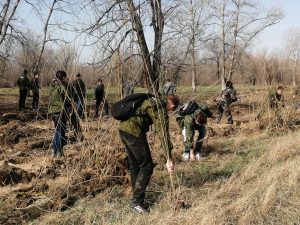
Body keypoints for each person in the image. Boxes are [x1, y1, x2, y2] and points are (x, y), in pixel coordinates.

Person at [118, 94, 179, 213]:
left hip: (123, 129)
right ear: (172, 104)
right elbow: (163, 133)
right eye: (172, 109)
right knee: (147, 167)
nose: (171, 111)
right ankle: (136, 203)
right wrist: (169, 159)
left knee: (135, 165)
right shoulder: (160, 107)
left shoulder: (152, 100)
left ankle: (136, 198)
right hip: (133, 132)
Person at [48, 70, 83, 157]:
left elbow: (50, 95)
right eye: (66, 77)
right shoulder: (63, 86)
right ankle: (59, 151)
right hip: (60, 111)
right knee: (61, 132)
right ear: (63, 77)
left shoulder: (53, 85)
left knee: (57, 131)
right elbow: (69, 98)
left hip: (53, 111)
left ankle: (54, 150)